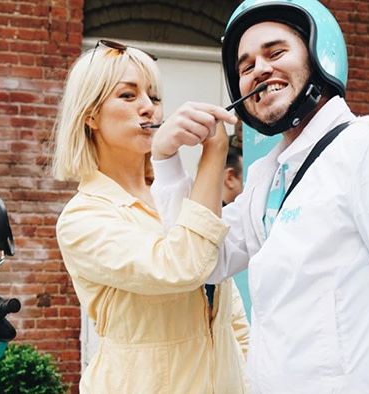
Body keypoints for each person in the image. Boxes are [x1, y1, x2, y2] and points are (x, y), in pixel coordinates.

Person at [150, 0, 369, 393]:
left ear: (319, 55)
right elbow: (202, 261)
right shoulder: (267, 177)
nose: (259, 70)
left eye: (276, 52)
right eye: (245, 67)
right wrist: (165, 161)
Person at [52, 39, 249, 393]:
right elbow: (182, 266)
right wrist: (214, 153)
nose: (150, 109)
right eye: (128, 96)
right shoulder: (83, 218)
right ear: (90, 116)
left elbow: (231, 314)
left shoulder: (178, 195)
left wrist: (247, 379)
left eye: (155, 97)